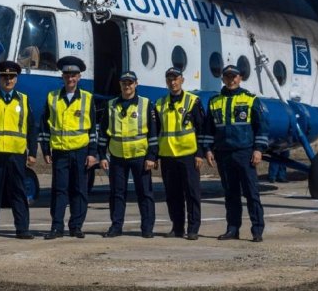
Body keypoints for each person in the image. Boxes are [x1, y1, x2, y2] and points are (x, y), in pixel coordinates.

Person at [200, 64, 269, 243]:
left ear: (240, 78)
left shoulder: (250, 99)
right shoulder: (214, 101)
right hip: (223, 154)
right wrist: (207, 149)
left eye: (234, 77)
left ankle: (257, 230)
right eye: (227, 77)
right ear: (222, 79)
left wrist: (258, 150)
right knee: (230, 194)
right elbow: (209, 129)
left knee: (252, 193)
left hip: (245, 153)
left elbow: (261, 127)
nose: (231, 80)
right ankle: (232, 229)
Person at [0, 60, 38, 240]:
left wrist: (32, 152)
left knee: (18, 191)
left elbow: (31, 129)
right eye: (4, 77)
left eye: (11, 77)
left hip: (17, 154)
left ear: (16, 79)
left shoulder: (24, 100)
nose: (8, 80)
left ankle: (22, 229)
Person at [38, 56, 98, 239]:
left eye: (73, 75)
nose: (70, 79)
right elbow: (44, 127)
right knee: (59, 190)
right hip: (60, 152)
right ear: (62, 77)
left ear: (79, 77)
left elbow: (93, 129)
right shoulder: (52, 97)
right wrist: (46, 151)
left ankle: (76, 226)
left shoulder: (88, 99)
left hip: (81, 152)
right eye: (66, 75)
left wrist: (92, 153)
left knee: (80, 190)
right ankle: (56, 227)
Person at [97, 71, 158, 238]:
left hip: (140, 156)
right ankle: (116, 226)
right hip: (117, 157)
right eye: (124, 82)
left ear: (136, 84)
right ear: (120, 84)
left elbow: (153, 133)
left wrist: (152, 156)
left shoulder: (146, 105)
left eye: (130, 82)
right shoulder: (111, 105)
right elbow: (103, 133)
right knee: (117, 193)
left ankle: (147, 227)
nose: (127, 86)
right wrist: (102, 155)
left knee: (145, 193)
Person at [154, 67, 205, 240]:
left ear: (182, 80)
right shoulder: (160, 103)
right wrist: (154, 155)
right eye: (169, 79)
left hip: (188, 155)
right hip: (168, 156)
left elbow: (201, 129)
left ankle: (193, 228)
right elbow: (156, 131)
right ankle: (177, 227)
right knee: (172, 195)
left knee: (192, 193)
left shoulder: (193, 101)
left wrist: (200, 153)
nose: (173, 82)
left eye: (175, 79)